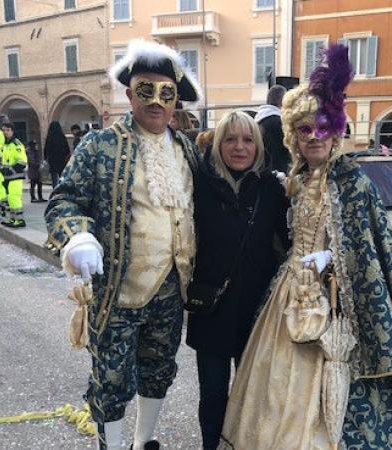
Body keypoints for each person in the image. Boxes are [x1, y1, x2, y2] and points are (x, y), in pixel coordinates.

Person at [219, 44, 392, 450]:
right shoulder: (294, 182)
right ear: (292, 135)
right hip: (288, 295)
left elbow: (370, 246)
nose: (314, 136)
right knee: (272, 382)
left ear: (336, 131)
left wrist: (332, 256)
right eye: (304, 129)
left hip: (336, 299)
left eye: (322, 127)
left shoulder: (354, 182)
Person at [45, 38, 201, 450]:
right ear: (130, 94)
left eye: (166, 94)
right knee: (111, 378)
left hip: (172, 289)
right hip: (119, 290)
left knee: (158, 368)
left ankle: (143, 441)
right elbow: (64, 199)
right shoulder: (100, 145)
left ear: (176, 101)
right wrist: (77, 234)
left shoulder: (186, 148)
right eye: (145, 91)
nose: (156, 102)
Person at [188, 111, 289, 450]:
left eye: (248, 140)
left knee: (254, 397)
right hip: (211, 306)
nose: (239, 147)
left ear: (258, 145)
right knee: (213, 395)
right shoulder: (198, 184)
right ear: (218, 144)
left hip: (257, 310)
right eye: (230, 139)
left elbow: (292, 239)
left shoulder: (272, 187)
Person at [0, 121, 28, 228]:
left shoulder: (16, 144)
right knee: (9, 199)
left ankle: (20, 220)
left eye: (8, 130)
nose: (5, 132)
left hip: (15, 176)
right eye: (3, 130)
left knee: (14, 197)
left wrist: (10, 170)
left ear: (12, 131)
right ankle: (12, 218)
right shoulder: (5, 145)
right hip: (6, 177)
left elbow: (22, 162)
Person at [255, 84, 289, 174]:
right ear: (283, 101)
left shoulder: (257, 120)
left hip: (262, 170)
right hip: (280, 170)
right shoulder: (281, 123)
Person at [43, 121, 70, 189]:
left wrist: (46, 158)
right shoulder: (62, 137)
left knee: (54, 177)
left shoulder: (49, 137)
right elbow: (67, 149)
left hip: (52, 160)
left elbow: (46, 149)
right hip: (61, 160)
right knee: (62, 175)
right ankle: (62, 189)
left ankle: (55, 190)